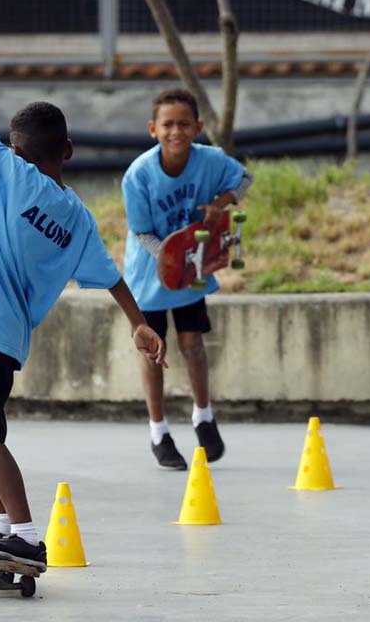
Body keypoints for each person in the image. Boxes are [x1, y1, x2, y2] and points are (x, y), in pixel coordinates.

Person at [0, 27, 166, 567]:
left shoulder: (5, 174)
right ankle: (2, 524)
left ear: (13, 150)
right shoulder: (75, 216)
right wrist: (139, 323)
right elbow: (109, 275)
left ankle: (27, 535)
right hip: (6, 336)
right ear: (69, 152)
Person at [121, 88, 253, 470]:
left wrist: (220, 204)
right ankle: (158, 430)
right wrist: (171, 256)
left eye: (183, 124)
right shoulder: (138, 176)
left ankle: (203, 415)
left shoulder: (210, 160)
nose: (175, 131)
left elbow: (244, 178)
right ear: (152, 129)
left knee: (193, 343)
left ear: (198, 126)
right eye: (167, 124)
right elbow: (142, 232)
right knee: (154, 351)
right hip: (151, 276)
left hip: (191, 272)